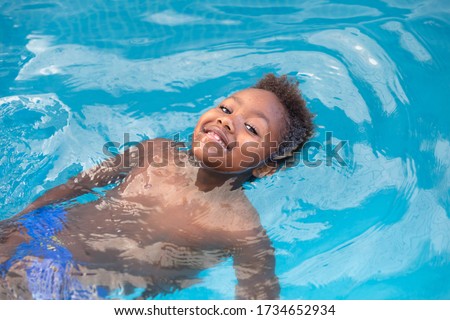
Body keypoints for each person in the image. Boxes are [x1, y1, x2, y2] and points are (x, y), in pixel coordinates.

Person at [0, 73, 314, 299]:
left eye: (251, 128)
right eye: (226, 108)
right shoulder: (155, 152)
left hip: (81, 280)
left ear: (266, 167)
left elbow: (259, 295)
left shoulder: (239, 227)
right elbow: (78, 185)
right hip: (43, 229)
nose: (227, 121)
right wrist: (22, 217)